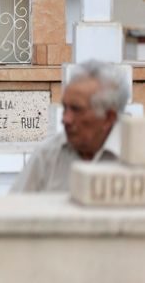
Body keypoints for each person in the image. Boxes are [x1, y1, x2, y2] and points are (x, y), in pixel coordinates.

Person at [12, 60, 128, 193]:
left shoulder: (137, 157)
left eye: (76, 109)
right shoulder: (46, 155)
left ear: (108, 118)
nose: (65, 119)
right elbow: (12, 209)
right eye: (65, 108)